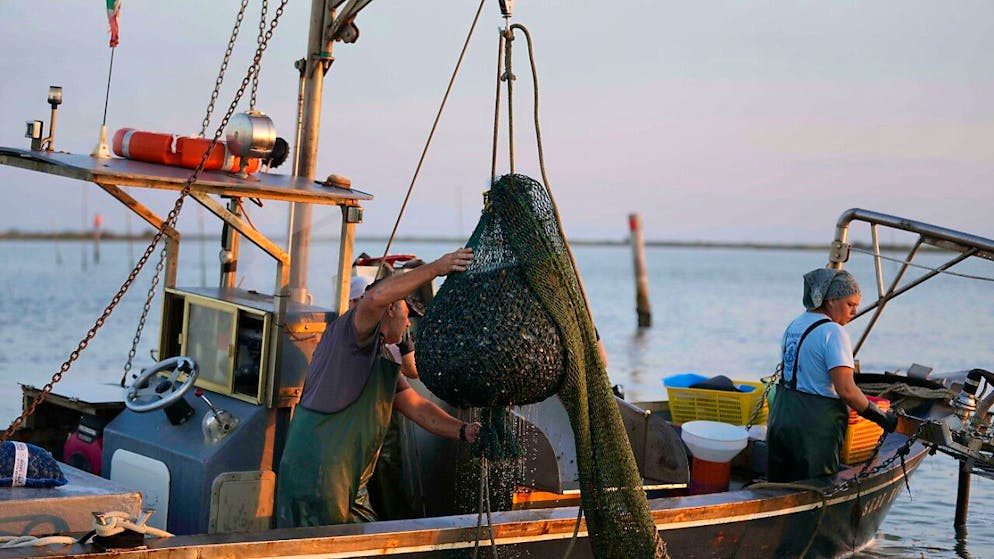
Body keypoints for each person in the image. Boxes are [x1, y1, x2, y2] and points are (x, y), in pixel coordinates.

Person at [276, 248, 481, 527]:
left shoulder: (382, 356)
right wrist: (436, 268)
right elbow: (374, 297)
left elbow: (419, 408)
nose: (409, 324)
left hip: (351, 483)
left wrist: (462, 431)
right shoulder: (351, 334)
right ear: (390, 308)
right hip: (319, 478)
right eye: (407, 315)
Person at [766, 268, 898, 483]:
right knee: (814, 490)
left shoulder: (795, 325)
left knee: (779, 488)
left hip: (781, 420)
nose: (854, 312)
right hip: (814, 429)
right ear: (831, 300)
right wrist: (883, 418)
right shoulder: (833, 332)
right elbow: (846, 390)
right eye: (850, 305)